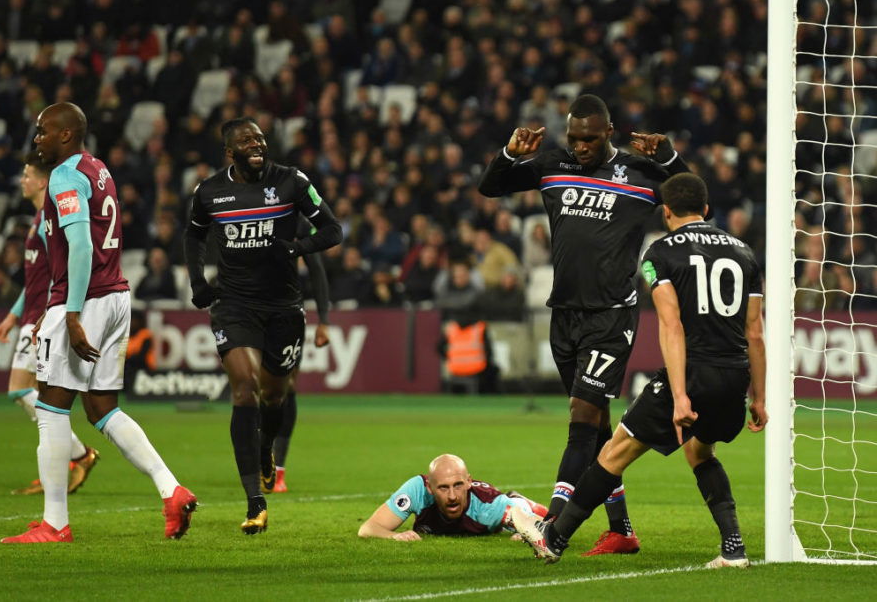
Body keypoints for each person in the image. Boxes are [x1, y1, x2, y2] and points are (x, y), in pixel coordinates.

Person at [510, 173, 767, 567]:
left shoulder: (658, 254)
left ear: (666, 213)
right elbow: (755, 332)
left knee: (614, 452)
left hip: (691, 375)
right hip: (735, 377)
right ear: (706, 209)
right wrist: (760, 396)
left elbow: (672, 325)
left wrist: (679, 396)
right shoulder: (744, 253)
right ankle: (733, 548)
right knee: (700, 452)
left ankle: (554, 538)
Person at [478, 94, 690, 555]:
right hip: (565, 313)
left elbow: (695, 198)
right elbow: (490, 187)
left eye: (589, 139)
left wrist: (669, 158)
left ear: (608, 132)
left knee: (581, 417)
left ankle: (553, 523)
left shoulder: (639, 172)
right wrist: (510, 153)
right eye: (574, 138)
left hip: (611, 315)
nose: (580, 147)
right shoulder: (553, 165)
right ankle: (621, 530)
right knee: (597, 428)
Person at [1, 102, 196, 544]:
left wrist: (69, 313)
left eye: (44, 131)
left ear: (66, 134)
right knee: (102, 408)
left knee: (51, 408)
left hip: (85, 299)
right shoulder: (98, 169)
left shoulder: (64, 176)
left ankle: (55, 523)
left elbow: (81, 246)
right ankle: (171, 489)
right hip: (115, 296)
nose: (37, 139)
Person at [184, 116, 342, 534]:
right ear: (229, 152)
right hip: (234, 305)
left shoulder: (291, 181)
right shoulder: (209, 191)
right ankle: (255, 502)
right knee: (244, 387)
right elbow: (193, 235)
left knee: (275, 394)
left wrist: (296, 247)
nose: (256, 144)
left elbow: (333, 230)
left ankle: (267, 446)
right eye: (246, 140)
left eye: (259, 138)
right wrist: (198, 281)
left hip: (284, 308)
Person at [0, 151, 99, 497]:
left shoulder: (49, 220)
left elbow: (60, 269)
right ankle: (60, 462)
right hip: (32, 315)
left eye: (27, 175)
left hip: (43, 317)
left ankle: (77, 455)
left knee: (22, 390)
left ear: (42, 181)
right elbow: (34, 279)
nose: (22, 180)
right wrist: (13, 314)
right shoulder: (39, 219)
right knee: (39, 393)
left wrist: (53, 311)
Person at [259, 217, 331, 495]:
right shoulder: (247, 212)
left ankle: (278, 469)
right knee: (251, 386)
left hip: (288, 313)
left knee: (285, 388)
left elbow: (316, 268)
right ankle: (260, 457)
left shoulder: (297, 222)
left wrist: (324, 320)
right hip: (250, 312)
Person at [358, 454, 547, 540]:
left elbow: (547, 529)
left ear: (468, 482)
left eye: (458, 485)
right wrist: (395, 536)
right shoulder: (416, 490)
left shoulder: (490, 506)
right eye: (443, 487)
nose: (452, 496)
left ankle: (522, 502)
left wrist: (523, 533)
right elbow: (368, 528)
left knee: (528, 512)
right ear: (429, 488)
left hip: (505, 508)